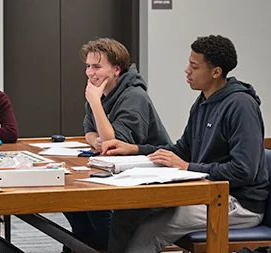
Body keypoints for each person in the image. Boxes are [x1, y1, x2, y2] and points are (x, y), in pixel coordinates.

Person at [101, 35, 269, 253]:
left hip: (238, 204)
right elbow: (182, 150)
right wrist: (135, 150)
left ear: (216, 72)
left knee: (149, 232)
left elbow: (243, 171)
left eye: (194, 66)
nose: (186, 70)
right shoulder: (203, 101)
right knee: (127, 215)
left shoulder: (241, 106)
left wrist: (188, 167)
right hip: (206, 193)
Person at [63, 38, 171, 252]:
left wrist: (94, 103)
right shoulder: (100, 92)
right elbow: (89, 132)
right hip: (120, 173)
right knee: (73, 205)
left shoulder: (134, 96)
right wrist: (96, 139)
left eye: (96, 66)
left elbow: (113, 148)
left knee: (92, 205)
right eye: (88, 66)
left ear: (116, 70)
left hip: (151, 177)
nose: (90, 73)